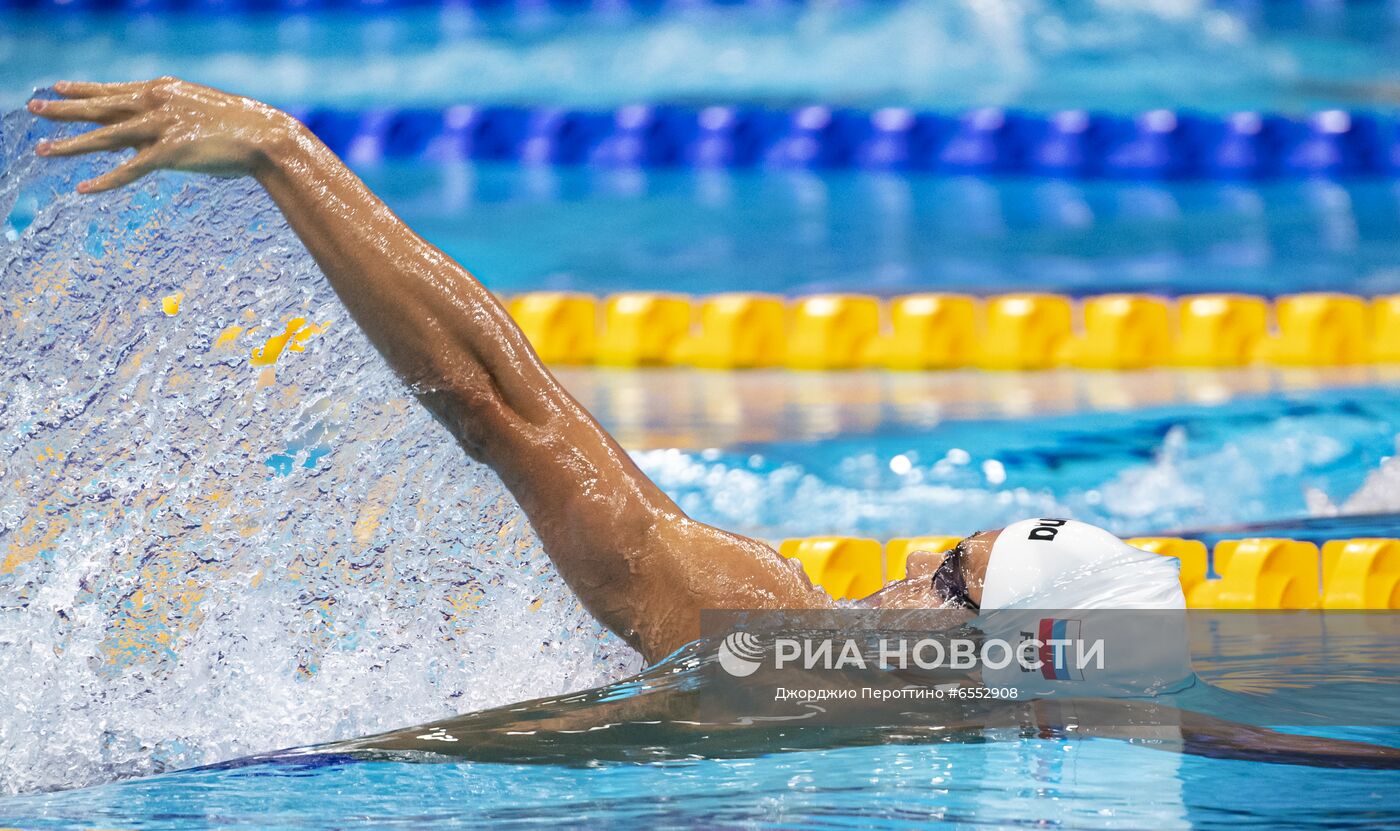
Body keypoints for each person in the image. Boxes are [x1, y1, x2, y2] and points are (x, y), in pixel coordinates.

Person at [29, 79, 1400, 770]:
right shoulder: (1063, 725)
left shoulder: (769, 639)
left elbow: (500, 406)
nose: (900, 568)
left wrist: (282, 149)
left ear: (992, 649)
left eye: (946, 575)